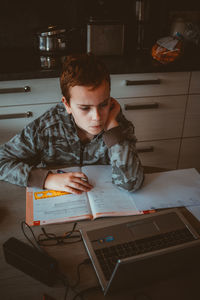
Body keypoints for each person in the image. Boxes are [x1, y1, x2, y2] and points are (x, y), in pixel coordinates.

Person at [0, 53, 144, 194]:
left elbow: (130, 184)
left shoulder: (118, 126)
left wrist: (112, 128)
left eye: (103, 104)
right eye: (85, 108)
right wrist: (47, 180)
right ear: (67, 104)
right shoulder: (46, 127)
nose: (97, 117)